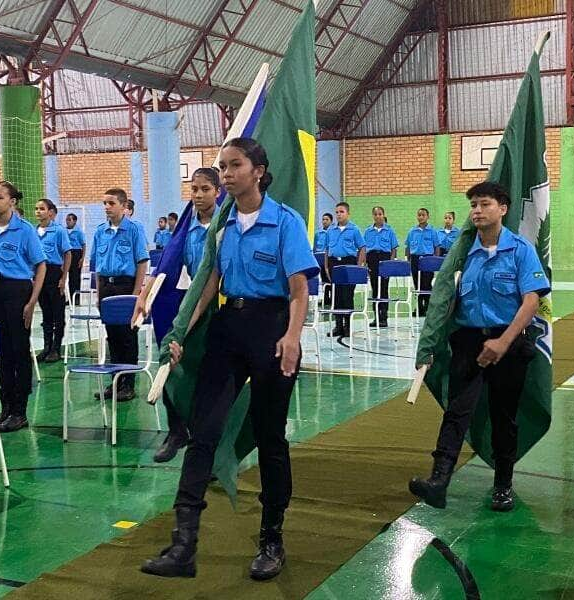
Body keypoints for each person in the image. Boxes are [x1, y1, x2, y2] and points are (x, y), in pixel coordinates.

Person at [141, 138, 318, 581]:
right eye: (222, 166)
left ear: (258, 170)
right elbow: (207, 281)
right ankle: (184, 545)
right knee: (203, 432)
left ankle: (271, 540)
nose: (226, 173)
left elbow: (300, 288)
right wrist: (181, 330)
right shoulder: (221, 224)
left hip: (271, 330)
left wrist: (293, 337)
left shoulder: (284, 222)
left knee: (270, 436)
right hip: (226, 327)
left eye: (235, 165)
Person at [409, 182, 550, 512]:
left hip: (509, 343)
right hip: (469, 343)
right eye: (473, 205)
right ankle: (438, 481)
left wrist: (503, 342)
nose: (476, 210)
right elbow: (445, 300)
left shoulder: (519, 250)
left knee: (503, 417)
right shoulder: (463, 253)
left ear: (502, 208)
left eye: (484, 204)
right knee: (456, 412)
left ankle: (503, 485)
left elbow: (531, 300)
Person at [133, 167, 220, 463]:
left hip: (217, 305)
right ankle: (176, 430)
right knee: (168, 360)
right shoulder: (187, 228)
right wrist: (145, 294)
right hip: (190, 301)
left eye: (205, 189)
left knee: (210, 375)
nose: (198, 194)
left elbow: (215, 274)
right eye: (194, 189)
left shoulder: (225, 225)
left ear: (217, 192)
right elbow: (168, 264)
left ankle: (209, 443)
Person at [0, 181, 46, 433]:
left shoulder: (25, 230)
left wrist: (31, 302)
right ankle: (5, 407)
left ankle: (20, 411)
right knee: (2, 351)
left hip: (17, 291)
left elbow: (40, 265)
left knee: (19, 350)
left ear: (12, 202)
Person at [92, 188, 149, 402]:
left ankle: (129, 384)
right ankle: (115, 382)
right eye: (105, 203)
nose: (107, 207)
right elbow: (97, 266)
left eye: (111, 203)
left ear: (124, 206)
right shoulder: (100, 232)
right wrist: (98, 294)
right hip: (107, 286)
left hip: (126, 287)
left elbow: (142, 262)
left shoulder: (134, 230)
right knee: (112, 337)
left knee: (127, 337)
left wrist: (136, 295)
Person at [35, 199, 71, 363]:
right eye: (36, 209)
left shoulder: (59, 231)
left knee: (57, 313)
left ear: (50, 212)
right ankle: (46, 346)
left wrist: (63, 278)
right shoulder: (34, 231)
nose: (38, 212)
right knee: (45, 313)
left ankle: (56, 348)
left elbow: (67, 254)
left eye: (42, 208)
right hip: (38, 274)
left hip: (54, 272)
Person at [325, 202, 366, 337]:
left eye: (341, 212)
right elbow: (327, 249)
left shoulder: (354, 229)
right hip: (334, 263)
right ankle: (338, 326)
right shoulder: (330, 230)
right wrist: (326, 266)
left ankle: (348, 326)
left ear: (348, 213)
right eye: (337, 212)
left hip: (349, 263)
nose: (338, 215)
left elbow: (362, 248)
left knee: (347, 296)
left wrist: (358, 267)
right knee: (336, 296)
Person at [364, 206, 398, 328]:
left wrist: (390, 263)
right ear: (373, 216)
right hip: (372, 259)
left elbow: (394, 248)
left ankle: (384, 317)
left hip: (385, 259)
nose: (378, 216)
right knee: (374, 289)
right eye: (375, 214)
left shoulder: (390, 231)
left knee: (384, 289)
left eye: (380, 214)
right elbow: (365, 249)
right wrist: (365, 264)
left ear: (383, 215)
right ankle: (376, 317)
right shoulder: (368, 231)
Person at [405, 208, 440, 317]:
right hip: (415, 259)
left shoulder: (432, 231)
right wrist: (408, 260)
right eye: (419, 215)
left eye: (423, 215)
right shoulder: (412, 231)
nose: (421, 217)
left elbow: (437, 247)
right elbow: (408, 247)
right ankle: (419, 307)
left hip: (428, 259)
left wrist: (435, 260)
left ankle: (428, 307)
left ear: (427, 216)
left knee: (427, 284)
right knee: (417, 284)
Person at [65, 213, 86, 305]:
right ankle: (69, 298)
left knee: (75, 278)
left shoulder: (79, 232)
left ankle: (76, 299)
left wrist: (82, 258)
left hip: (76, 254)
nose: (68, 221)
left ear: (75, 221)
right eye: (67, 219)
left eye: (70, 219)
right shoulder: (64, 231)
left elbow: (84, 245)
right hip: (67, 253)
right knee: (68, 277)